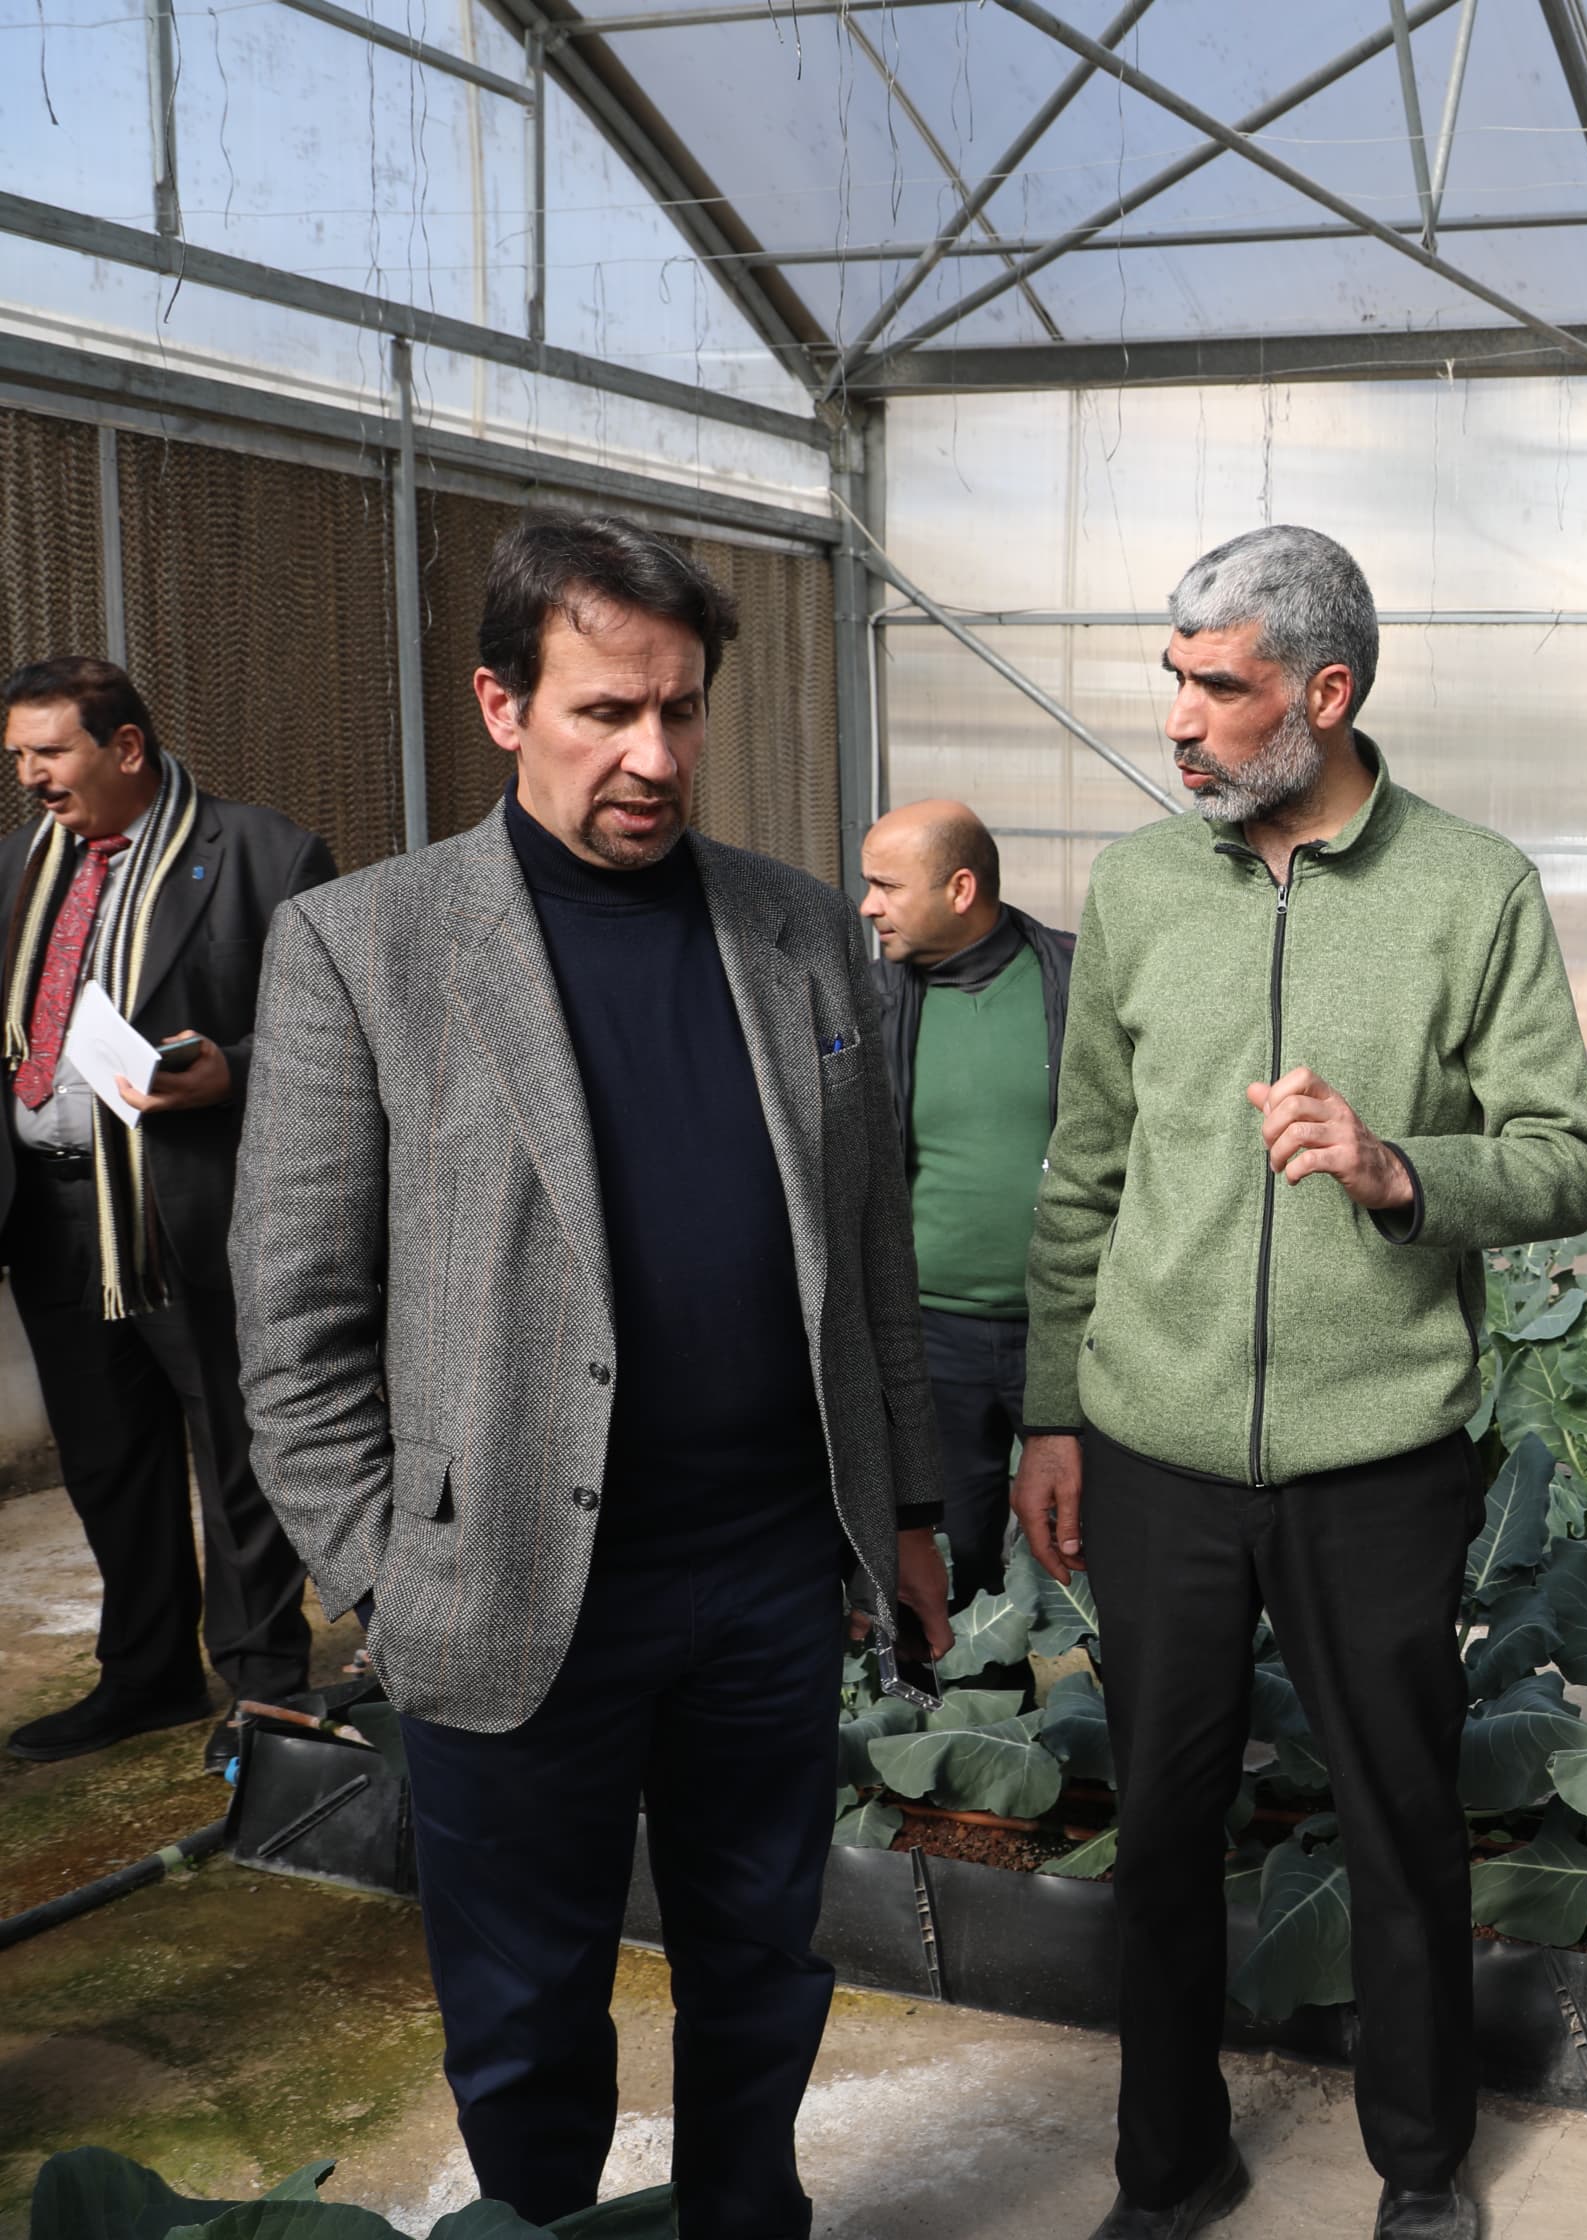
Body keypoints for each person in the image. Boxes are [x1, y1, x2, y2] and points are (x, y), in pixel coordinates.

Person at [233, 512, 953, 2239]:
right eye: (606, 712)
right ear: (502, 705)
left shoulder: (795, 931)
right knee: (528, 2014)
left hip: (764, 1581)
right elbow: (296, 1319)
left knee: (762, 1969)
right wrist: (389, 1574)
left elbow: (871, 1252)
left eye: (681, 711)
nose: (654, 756)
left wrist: (910, 1507)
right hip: (507, 1590)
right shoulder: (365, 946)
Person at [1009, 524, 1587, 2240]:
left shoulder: (1472, 890)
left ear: (1325, 693)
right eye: (1174, 679)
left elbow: (1568, 1161)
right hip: (1156, 1450)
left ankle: (1419, 2168)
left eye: (1219, 685)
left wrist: (1399, 1166)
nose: (1179, 719)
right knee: (1163, 1828)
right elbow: (1084, 1169)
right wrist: (1053, 1410)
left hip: (1376, 1460)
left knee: (1401, 1822)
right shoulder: (1141, 887)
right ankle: (1168, 2166)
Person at [3, 656, 334, 1766]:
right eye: (18, 756)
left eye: (50, 752)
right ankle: (146, 1676)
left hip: (188, 1205)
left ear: (127, 746)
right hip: (52, 1213)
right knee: (107, 1457)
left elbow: (339, 1032)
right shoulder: (21, 866)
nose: (30, 776)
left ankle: (265, 1687)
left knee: (236, 1453)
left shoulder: (263, 856)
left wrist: (236, 1070)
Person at [862, 797, 1076, 1607]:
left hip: (1071, 1333)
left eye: (887, 886)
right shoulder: (866, 1003)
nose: (867, 905)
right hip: (930, 1338)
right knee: (953, 1563)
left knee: (1090, 1546)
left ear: (960, 889)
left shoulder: (1078, 982)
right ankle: (976, 1685)